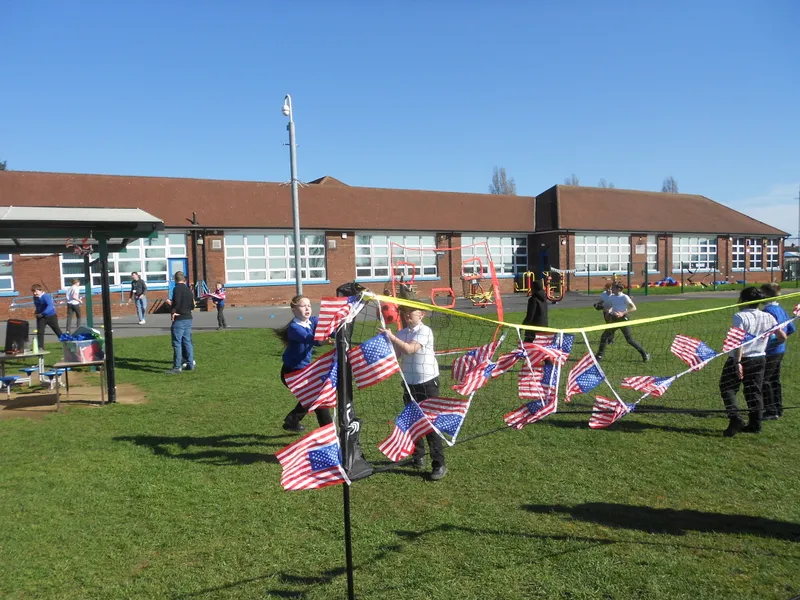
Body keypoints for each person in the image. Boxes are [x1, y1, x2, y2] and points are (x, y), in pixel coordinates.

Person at [381, 305, 447, 481]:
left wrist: (392, 337)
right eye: (404, 311)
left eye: (411, 311)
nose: (407, 314)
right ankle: (418, 457)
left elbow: (410, 349)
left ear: (422, 314)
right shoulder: (402, 333)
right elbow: (396, 355)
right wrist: (387, 342)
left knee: (430, 424)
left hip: (427, 383)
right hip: (409, 384)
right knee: (413, 421)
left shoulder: (425, 331)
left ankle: (438, 464)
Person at [719, 286, 786, 437]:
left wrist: (737, 363)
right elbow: (782, 337)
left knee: (727, 387)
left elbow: (738, 342)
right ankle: (756, 424)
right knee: (753, 390)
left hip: (741, 359)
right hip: (759, 358)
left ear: (744, 300)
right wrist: (765, 346)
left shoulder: (740, 316)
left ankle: (735, 418)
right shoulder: (768, 316)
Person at [275, 295, 335, 432]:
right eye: (303, 306)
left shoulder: (312, 321)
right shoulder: (294, 328)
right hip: (292, 373)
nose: (307, 308)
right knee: (317, 398)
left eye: (309, 305)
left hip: (304, 371)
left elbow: (328, 328)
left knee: (315, 398)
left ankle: (293, 420)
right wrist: (322, 341)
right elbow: (309, 338)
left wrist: (337, 334)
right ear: (294, 310)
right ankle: (328, 433)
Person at [759, 283, 795, 420]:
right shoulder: (780, 310)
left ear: (767, 295)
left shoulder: (768, 312)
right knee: (774, 380)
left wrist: (771, 343)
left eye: (761, 293)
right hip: (780, 350)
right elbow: (791, 328)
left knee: (764, 380)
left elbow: (773, 332)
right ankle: (778, 408)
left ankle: (771, 410)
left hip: (771, 351)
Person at [595, 282, 649, 362]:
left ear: (618, 289)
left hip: (623, 319)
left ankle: (644, 354)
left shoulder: (624, 297)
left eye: (613, 288)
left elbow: (634, 308)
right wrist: (607, 311)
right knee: (604, 336)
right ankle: (599, 356)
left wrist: (622, 313)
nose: (611, 289)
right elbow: (613, 306)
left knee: (629, 340)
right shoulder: (612, 296)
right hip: (614, 319)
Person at [165, 271, 194, 375]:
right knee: (187, 341)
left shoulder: (176, 289)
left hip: (179, 318)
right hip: (188, 318)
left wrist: (172, 310)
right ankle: (190, 363)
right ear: (184, 279)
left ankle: (177, 367)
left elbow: (176, 302)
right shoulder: (188, 290)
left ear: (175, 279)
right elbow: (192, 306)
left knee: (177, 343)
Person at [31, 284, 64, 349]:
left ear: (40, 290)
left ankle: (66, 344)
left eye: (36, 291)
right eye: (33, 292)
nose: (35, 293)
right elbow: (38, 306)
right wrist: (36, 312)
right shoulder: (35, 297)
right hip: (41, 317)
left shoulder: (45, 296)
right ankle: (40, 347)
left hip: (51, 316)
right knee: (40, 332)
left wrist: (43, 313)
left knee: (56, 330)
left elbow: (50, 306)